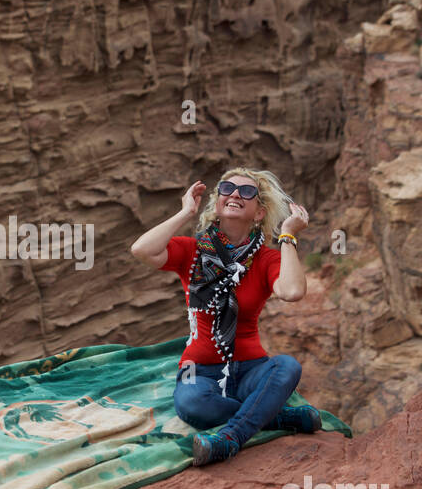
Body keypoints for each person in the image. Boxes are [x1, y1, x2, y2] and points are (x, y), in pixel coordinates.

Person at [129, 168, 321, 466]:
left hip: (251, 369)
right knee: (192, 405)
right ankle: (277, 417)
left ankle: (230, 438)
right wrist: (185, 212)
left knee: (287, 367)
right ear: (217, 202)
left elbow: (292, 291)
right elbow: (141, 249)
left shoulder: (266, 259)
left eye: (246, 192)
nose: (234, 194)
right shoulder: (192, 251)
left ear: (259, 213)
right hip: (199, 368)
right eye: (227, 188)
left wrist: (287, 236)